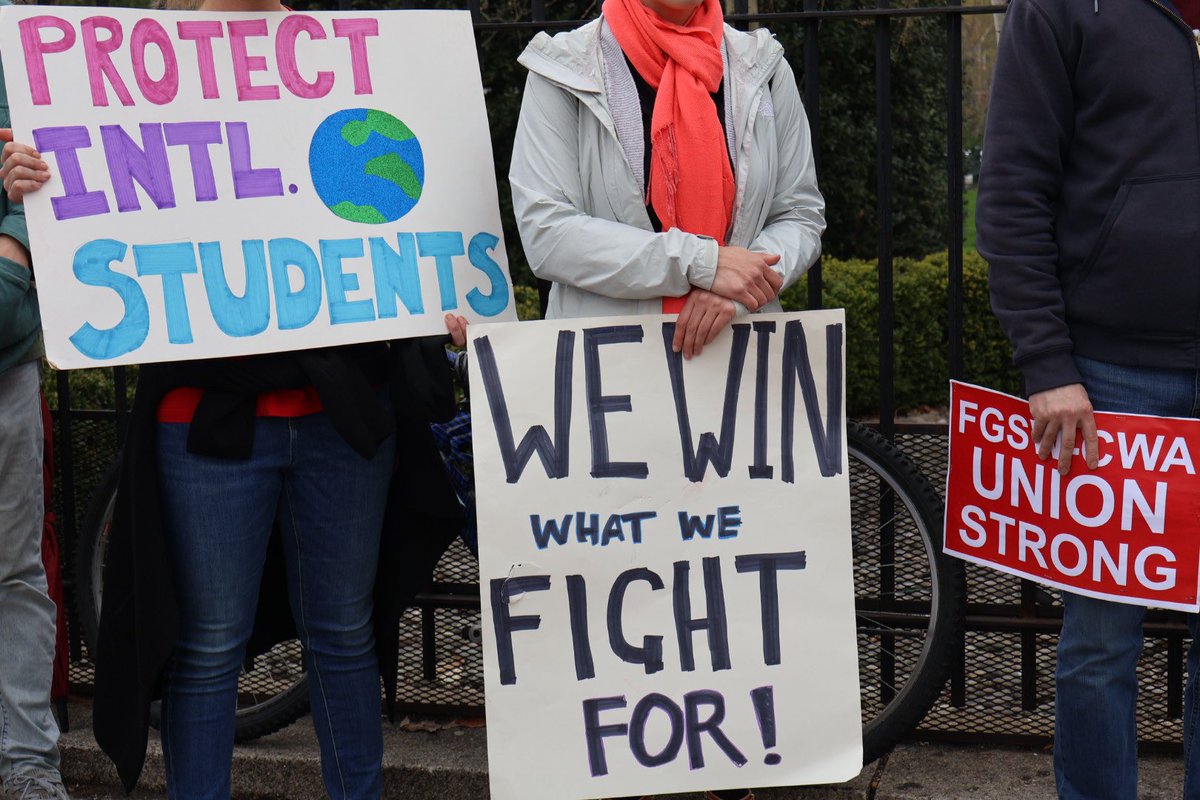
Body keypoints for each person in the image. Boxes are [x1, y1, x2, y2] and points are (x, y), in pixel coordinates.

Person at [1, 1, 466, 797]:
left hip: (342, 423)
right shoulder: (123, 72)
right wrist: (29, 193)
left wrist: (442, 294)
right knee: (210, 645)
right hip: (206, 429)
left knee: (345, 636)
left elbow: (410, 207)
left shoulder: (349, 60)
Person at [509, 0, 825, 797]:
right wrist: (695, 262)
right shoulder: (565, 69)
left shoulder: (761, 66)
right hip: (610, 391)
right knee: (622, 624)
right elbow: (546, 231)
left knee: (729, 627)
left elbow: (800, 213)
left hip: (737, 377)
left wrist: (749, 276)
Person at [976, 0, 1200, 797]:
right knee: (1102, 642)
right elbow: (1011, 187)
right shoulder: (1059, 7)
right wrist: (1046, 364)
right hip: (1110, 377)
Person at [0, 1, 70, 795]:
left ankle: (26, 764)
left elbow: (40, 146)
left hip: (5, 360)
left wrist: (13, 253)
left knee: (14, 571)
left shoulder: (11, 40)